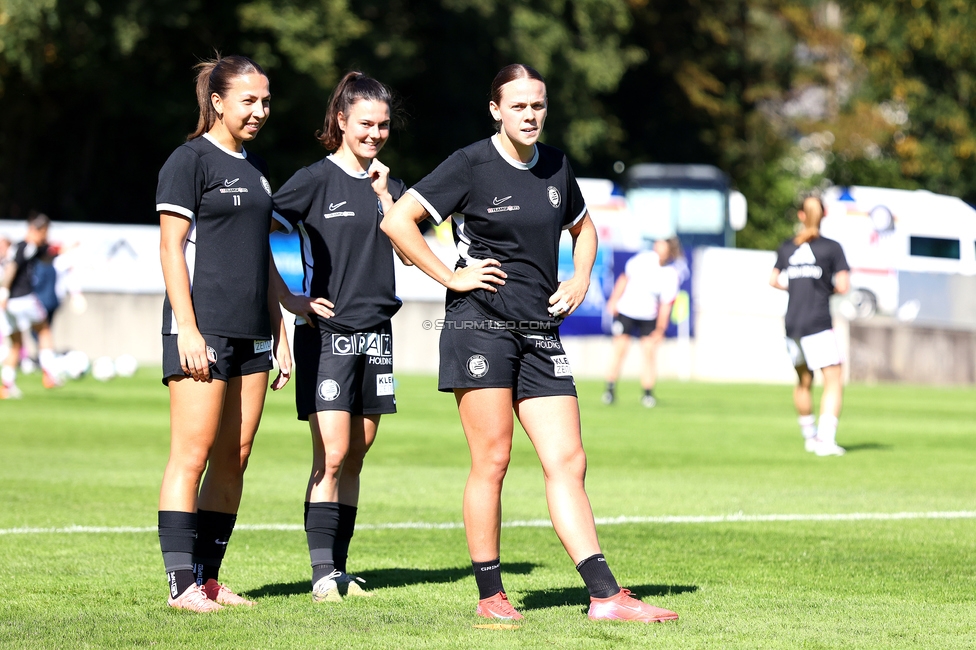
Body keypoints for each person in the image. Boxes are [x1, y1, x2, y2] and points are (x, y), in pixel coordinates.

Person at [381, 63, 679, 623]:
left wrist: (581, 278)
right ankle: (491, 593)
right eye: (518, 106)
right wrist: (451, 277)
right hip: (480, 326)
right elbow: (398, 221)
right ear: (496, 110)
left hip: (541, 332)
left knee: (569, 460)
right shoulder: (470, 163)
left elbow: (584, 229)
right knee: (492, 460)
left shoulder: (557, 165)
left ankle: (605, 596)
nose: (530, 115)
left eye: (537, 105)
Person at [155, 54, 291, 613]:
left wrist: (284, 317)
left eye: (264, 100)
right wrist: (187, 328)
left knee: (235, 455)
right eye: (248, 101)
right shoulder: (188, 161)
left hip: (254, 332)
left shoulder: (256, 169)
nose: (260, 110)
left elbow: (260, 255)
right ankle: (180, 583)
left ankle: (209, 579)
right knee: (191, 454)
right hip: (202, 328)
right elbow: (170, 249)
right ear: (217, 101)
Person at [271, 71, 408, 603]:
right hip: (327, 335)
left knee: (357, 454)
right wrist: (290, 299)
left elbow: (405, 248)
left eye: (383, 125)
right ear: (341, 122)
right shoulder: (312, 180)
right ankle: (322, 573)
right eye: (365, 124)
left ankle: (340, 569)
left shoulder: (390, 187)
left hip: (378, 333)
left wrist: (381, 197)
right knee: (330, 455)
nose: (374, 134)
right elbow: (253, 234)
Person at [769, 196, 850, 456]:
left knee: (804, 380)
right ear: (823, 214)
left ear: (801, 216)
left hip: (792, 324)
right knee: (833, 379)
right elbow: (843, 286)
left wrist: (795, 286)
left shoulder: (787, 247)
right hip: (817, 322)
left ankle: (809, 437)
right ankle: (825, 441)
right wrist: (824, 288)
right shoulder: (832, 248)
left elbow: (773, 280)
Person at [602, 238, 680, 407]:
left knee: (649, 353)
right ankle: (610, 389)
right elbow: (624, 279)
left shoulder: (670, 273)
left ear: (669, 251)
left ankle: (647, 394)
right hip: (627, 311)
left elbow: (666, 305)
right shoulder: (642, 259)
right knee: (620, 350)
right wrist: (614, 300)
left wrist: (660, 328)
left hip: (648, 316)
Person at [0, 213, 62, 398]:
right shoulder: (26, 246)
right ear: (36, 230)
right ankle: (49, 374)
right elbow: (12, 268)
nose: (46, 236)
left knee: (15, 344)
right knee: (44, 331)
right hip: (23, 298)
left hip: (9, 302)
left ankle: (6, 385)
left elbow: (46, 257)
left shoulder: (25, 247)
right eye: (44, 232)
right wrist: (4, 291)